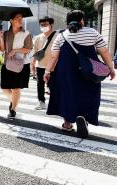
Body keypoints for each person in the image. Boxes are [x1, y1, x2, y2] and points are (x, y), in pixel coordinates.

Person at [44, 10, 115, 138]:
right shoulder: (93, 33)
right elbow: (104, 52)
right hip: (89, 71)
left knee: (67, 95)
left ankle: (67, 124)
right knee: (89, 93)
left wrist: (47, 71)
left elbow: (53, 56)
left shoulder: (62, 35)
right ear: (82, 21)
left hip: (66, 72)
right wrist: (111, 68)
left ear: (67, 22)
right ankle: (83, 117)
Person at [0, 12, 33, 120]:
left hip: (21, 64)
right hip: (7, 64)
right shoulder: (6, 34)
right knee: (4, 88)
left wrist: (15, 50)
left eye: (21, 18)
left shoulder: (26, 33)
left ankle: (13, 110)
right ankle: (13, 100)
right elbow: (2, 49)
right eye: (17, 18)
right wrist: (0, 38)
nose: (20, 19)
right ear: (11, 20)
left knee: (16, 89)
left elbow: (28, 48)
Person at [31, 16, 58, 110]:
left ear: (51, 25)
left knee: (53, 85)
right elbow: (35, 52)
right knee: (40, 84)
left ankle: (55, 103)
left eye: (45, 24)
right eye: (41, 25)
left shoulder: (57, 36)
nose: (43, 26)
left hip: (53, 66)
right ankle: (41, 102)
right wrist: (33, 65)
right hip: (40, 65)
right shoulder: (38, 38)